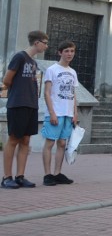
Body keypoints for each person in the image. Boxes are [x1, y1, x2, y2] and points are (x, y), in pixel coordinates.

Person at [2, 31, 48, 189]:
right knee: (14, 139)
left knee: (26, 141)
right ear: (36, 43)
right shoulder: (20, 57)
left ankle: (20, 176)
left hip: (31, 105)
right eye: (45, 42)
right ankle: (6, 177)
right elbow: (7, 79)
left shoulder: (33, 62)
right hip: (18, 104)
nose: (46, 46)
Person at [42, 40, 79, 186]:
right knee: (50, 142)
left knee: (62, 143)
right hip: (56, 111)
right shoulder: (52, 70)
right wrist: (52, 112)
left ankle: (57, 173)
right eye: (66, 51)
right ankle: (47, 174)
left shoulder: (73, 72)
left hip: (68, 113)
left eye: (72, 51)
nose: (69, 54)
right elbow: (47, 92)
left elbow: (73, 93)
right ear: (60, 53)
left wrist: (75, 113)